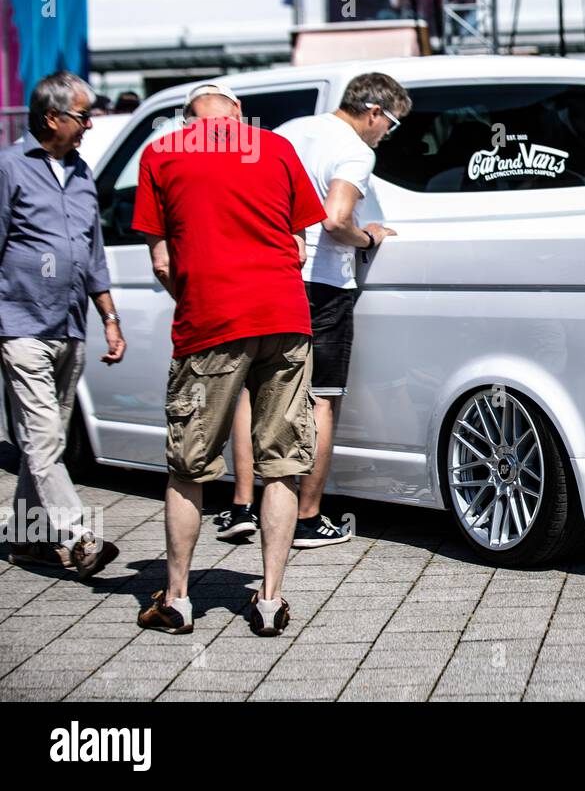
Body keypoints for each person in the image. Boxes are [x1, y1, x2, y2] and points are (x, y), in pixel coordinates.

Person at [133, 83, 326, 636]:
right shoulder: (278, 148)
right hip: (286, 320)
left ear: (188, 118)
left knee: (188, 467)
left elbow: (163, 262)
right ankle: (269, 600)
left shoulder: (162, 153)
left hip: (211, 325)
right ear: (237, 112)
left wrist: (199, 299)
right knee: (284, 462)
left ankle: (176, 599)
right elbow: (297, 246)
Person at [213, 73, 411, 548]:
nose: (388, 134)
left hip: (266, 275)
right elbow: (335, 218)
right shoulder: (355, 150)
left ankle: (242, 507)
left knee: (251, 392)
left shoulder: (287, 132)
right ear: (373, 113)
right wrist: (369, 237)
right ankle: (306, 517)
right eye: (393, 124)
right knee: (321, 397)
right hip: (322, 283)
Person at [0, 71, 126, 577]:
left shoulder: (80, 172)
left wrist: (109, 319)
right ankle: (77, 536)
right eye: (83, 115)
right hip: (20, 322)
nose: (90, 125)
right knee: (45, 437)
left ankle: (26, 538)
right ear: (51, 117)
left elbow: (93, 254)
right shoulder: (10, 167)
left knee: (41, 440)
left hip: (69, 326)